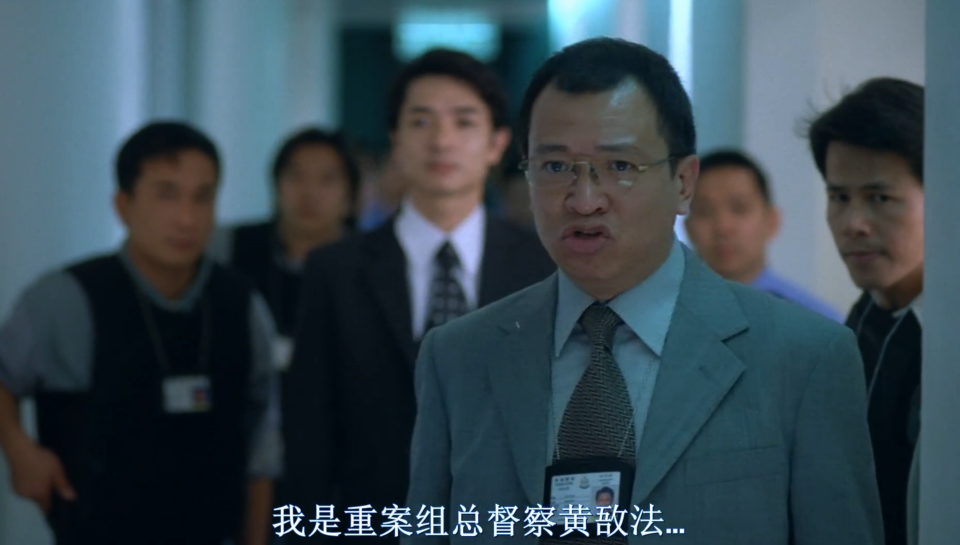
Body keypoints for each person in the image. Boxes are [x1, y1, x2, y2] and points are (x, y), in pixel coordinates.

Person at [403, 38, 883, 544]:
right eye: (555, 167)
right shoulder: (459, 357)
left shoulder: (804, 358)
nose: (584, 201)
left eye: (620, 167)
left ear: (684, 181)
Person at [280, 49, 555, 541]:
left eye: (464, 122)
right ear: (396, 140)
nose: (442, 140)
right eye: (421, 121)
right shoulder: (336, 270)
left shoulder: (542, 267)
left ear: (497, 143)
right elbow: (309, 434)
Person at [0, 122, 281, 545]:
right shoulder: (67, 298)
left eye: (202, 198)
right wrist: (18, 449)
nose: (186, 218)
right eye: (166, 195)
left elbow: (262, 442)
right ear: (123, 205)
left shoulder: (241, 304)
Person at [807, 76, 925, 545]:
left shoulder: (942, 338)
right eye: (839, 197)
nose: (853, 224)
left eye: (880, 198)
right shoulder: (862, 321)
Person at [209, 127, 360, 367]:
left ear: (350, 198)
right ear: (275, 185)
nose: (309, 192)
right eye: (296, 176)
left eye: (327, 179)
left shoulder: (368, 264)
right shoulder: (230, 246)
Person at [685, 150, 843, 321]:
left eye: (739, 208)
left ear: (771, 221)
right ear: (688, 228)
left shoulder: (816, 321)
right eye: (705, 211)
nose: (723, 227)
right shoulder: (669, 315)